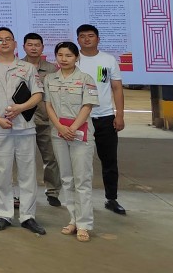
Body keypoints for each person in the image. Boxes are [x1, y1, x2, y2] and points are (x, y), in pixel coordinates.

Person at [0, 27, 46, 235]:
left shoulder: (27, 68)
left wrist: (20, 108)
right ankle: (3, 214)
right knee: (1, 173)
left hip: (24, 127)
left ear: (15, 44)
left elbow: (38, 94)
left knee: (28, 174)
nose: (4, 42)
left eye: (8, 39)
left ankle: (28, 216)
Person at [45, 41, 100, 242]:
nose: (64, 59)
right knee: (67, 178)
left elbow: (87, 106)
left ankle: (84, 224)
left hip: (80, 134)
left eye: (68, 55)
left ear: (77, 57)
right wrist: (60, 128)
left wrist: (73, 128)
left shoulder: (86, 79)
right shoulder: (50, 79)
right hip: (59, 133)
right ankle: (73, 220)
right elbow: (48, 105)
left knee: (82, 179)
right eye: (60, 55)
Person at [76, 24, 126, 215]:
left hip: (105, 117)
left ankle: (111, 198)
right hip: (80, 119)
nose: (86, 39)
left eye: (90, 36)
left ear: (98, 39)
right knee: (81, 162)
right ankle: (81, 200)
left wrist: (119, 115)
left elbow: (117, 88)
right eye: (82, 36)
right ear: (78, 40)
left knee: (109, 160)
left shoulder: (108, 59)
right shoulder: (74, 59)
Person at [22, 32, 63, 207]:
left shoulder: (52, 69)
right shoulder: (17, 66)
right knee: (24, 160)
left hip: (46, 121)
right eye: (30, 44)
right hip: (24, 121)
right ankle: (24, 193)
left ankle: (52, 191)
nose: (33, 48)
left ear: (42, 47)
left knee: (51, 158)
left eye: (37, 45)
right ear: (24, 47)